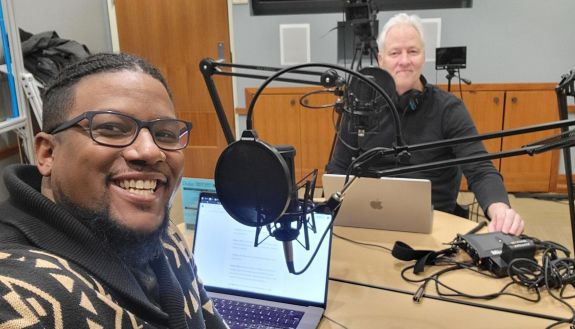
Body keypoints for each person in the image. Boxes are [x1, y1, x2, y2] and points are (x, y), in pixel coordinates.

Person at [0, 53, 228, 328]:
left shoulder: (163, 233)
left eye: (165, 134)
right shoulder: (16, 296)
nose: (150, 151)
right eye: (111, 128)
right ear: (48, 153)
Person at [326, 13, 524, 236]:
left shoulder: (449, 109)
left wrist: (500, 209)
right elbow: (338, 168)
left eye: (413, 51)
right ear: (381, 60)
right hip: (369, 221)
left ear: (423, 56)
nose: (404, 60)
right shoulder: (360, 106)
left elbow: (480, 170)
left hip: (435, 225)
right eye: (395, 53)